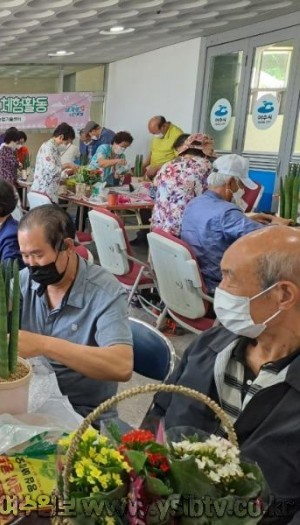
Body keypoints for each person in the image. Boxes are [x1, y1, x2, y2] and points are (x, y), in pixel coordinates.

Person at [148, 227, 300, 520]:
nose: (219, 289)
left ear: (283, 294)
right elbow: (160, 412)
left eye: (229, 277)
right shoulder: (208, 347)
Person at [0, 205, 133, 419]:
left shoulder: (105, 292)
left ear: (67, 246)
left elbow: (122, 365)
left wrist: (43, 345)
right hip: (32, 399)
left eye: (38, 255)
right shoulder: (28, 279)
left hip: (83, 413)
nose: (31, 265)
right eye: (25, 256)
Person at [180, 154, 289, 292]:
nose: (241, 190)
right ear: (231, 182)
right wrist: (279, 225)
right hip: (218, 282)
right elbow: (264, 236)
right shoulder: (226, 212)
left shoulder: (195, 202)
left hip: (197, 276)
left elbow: (219, 224)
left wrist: (246, 219)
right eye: (241, 185)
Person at [150, 133, 215, 236]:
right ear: (205, 149)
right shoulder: (206, 166)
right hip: (183, 230)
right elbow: (210, 199)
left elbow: (153, 193)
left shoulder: (168, 164)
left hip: (159, 228)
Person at [29, 123, 76, 203]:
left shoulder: (54, 148)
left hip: (48, 191)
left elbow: (53, 168)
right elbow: (52, 170)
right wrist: (67, 165)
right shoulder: (48, 148)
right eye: (67, 142)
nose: (67, 145)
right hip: (44, 192)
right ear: (61, 137)